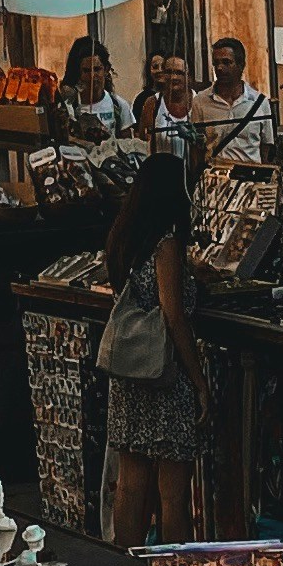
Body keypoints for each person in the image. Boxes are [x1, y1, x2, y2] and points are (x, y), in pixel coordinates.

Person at [99, 151, 214, 544]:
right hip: (164, 375)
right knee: (173, 493)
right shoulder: (165, 245)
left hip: (131, 374)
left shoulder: (123, 237)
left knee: (131, 483)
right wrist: (198, 380)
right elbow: (174, 316)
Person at [199, 38, 275, 167]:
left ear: (241, 65)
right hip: (216, 180)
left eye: (226, 62)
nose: (220, 68)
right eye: (216, 63)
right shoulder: (201, 101)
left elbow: (266, 147)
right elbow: (197, 146)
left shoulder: (260, 103)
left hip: (250, 179)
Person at [58, 39, 134, 139]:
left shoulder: (119, 105)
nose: (92, 76)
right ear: (79, 73)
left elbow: (127, 147)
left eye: (97, 69)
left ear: (106, 70)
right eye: (86, 71)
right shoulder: (68, 107)